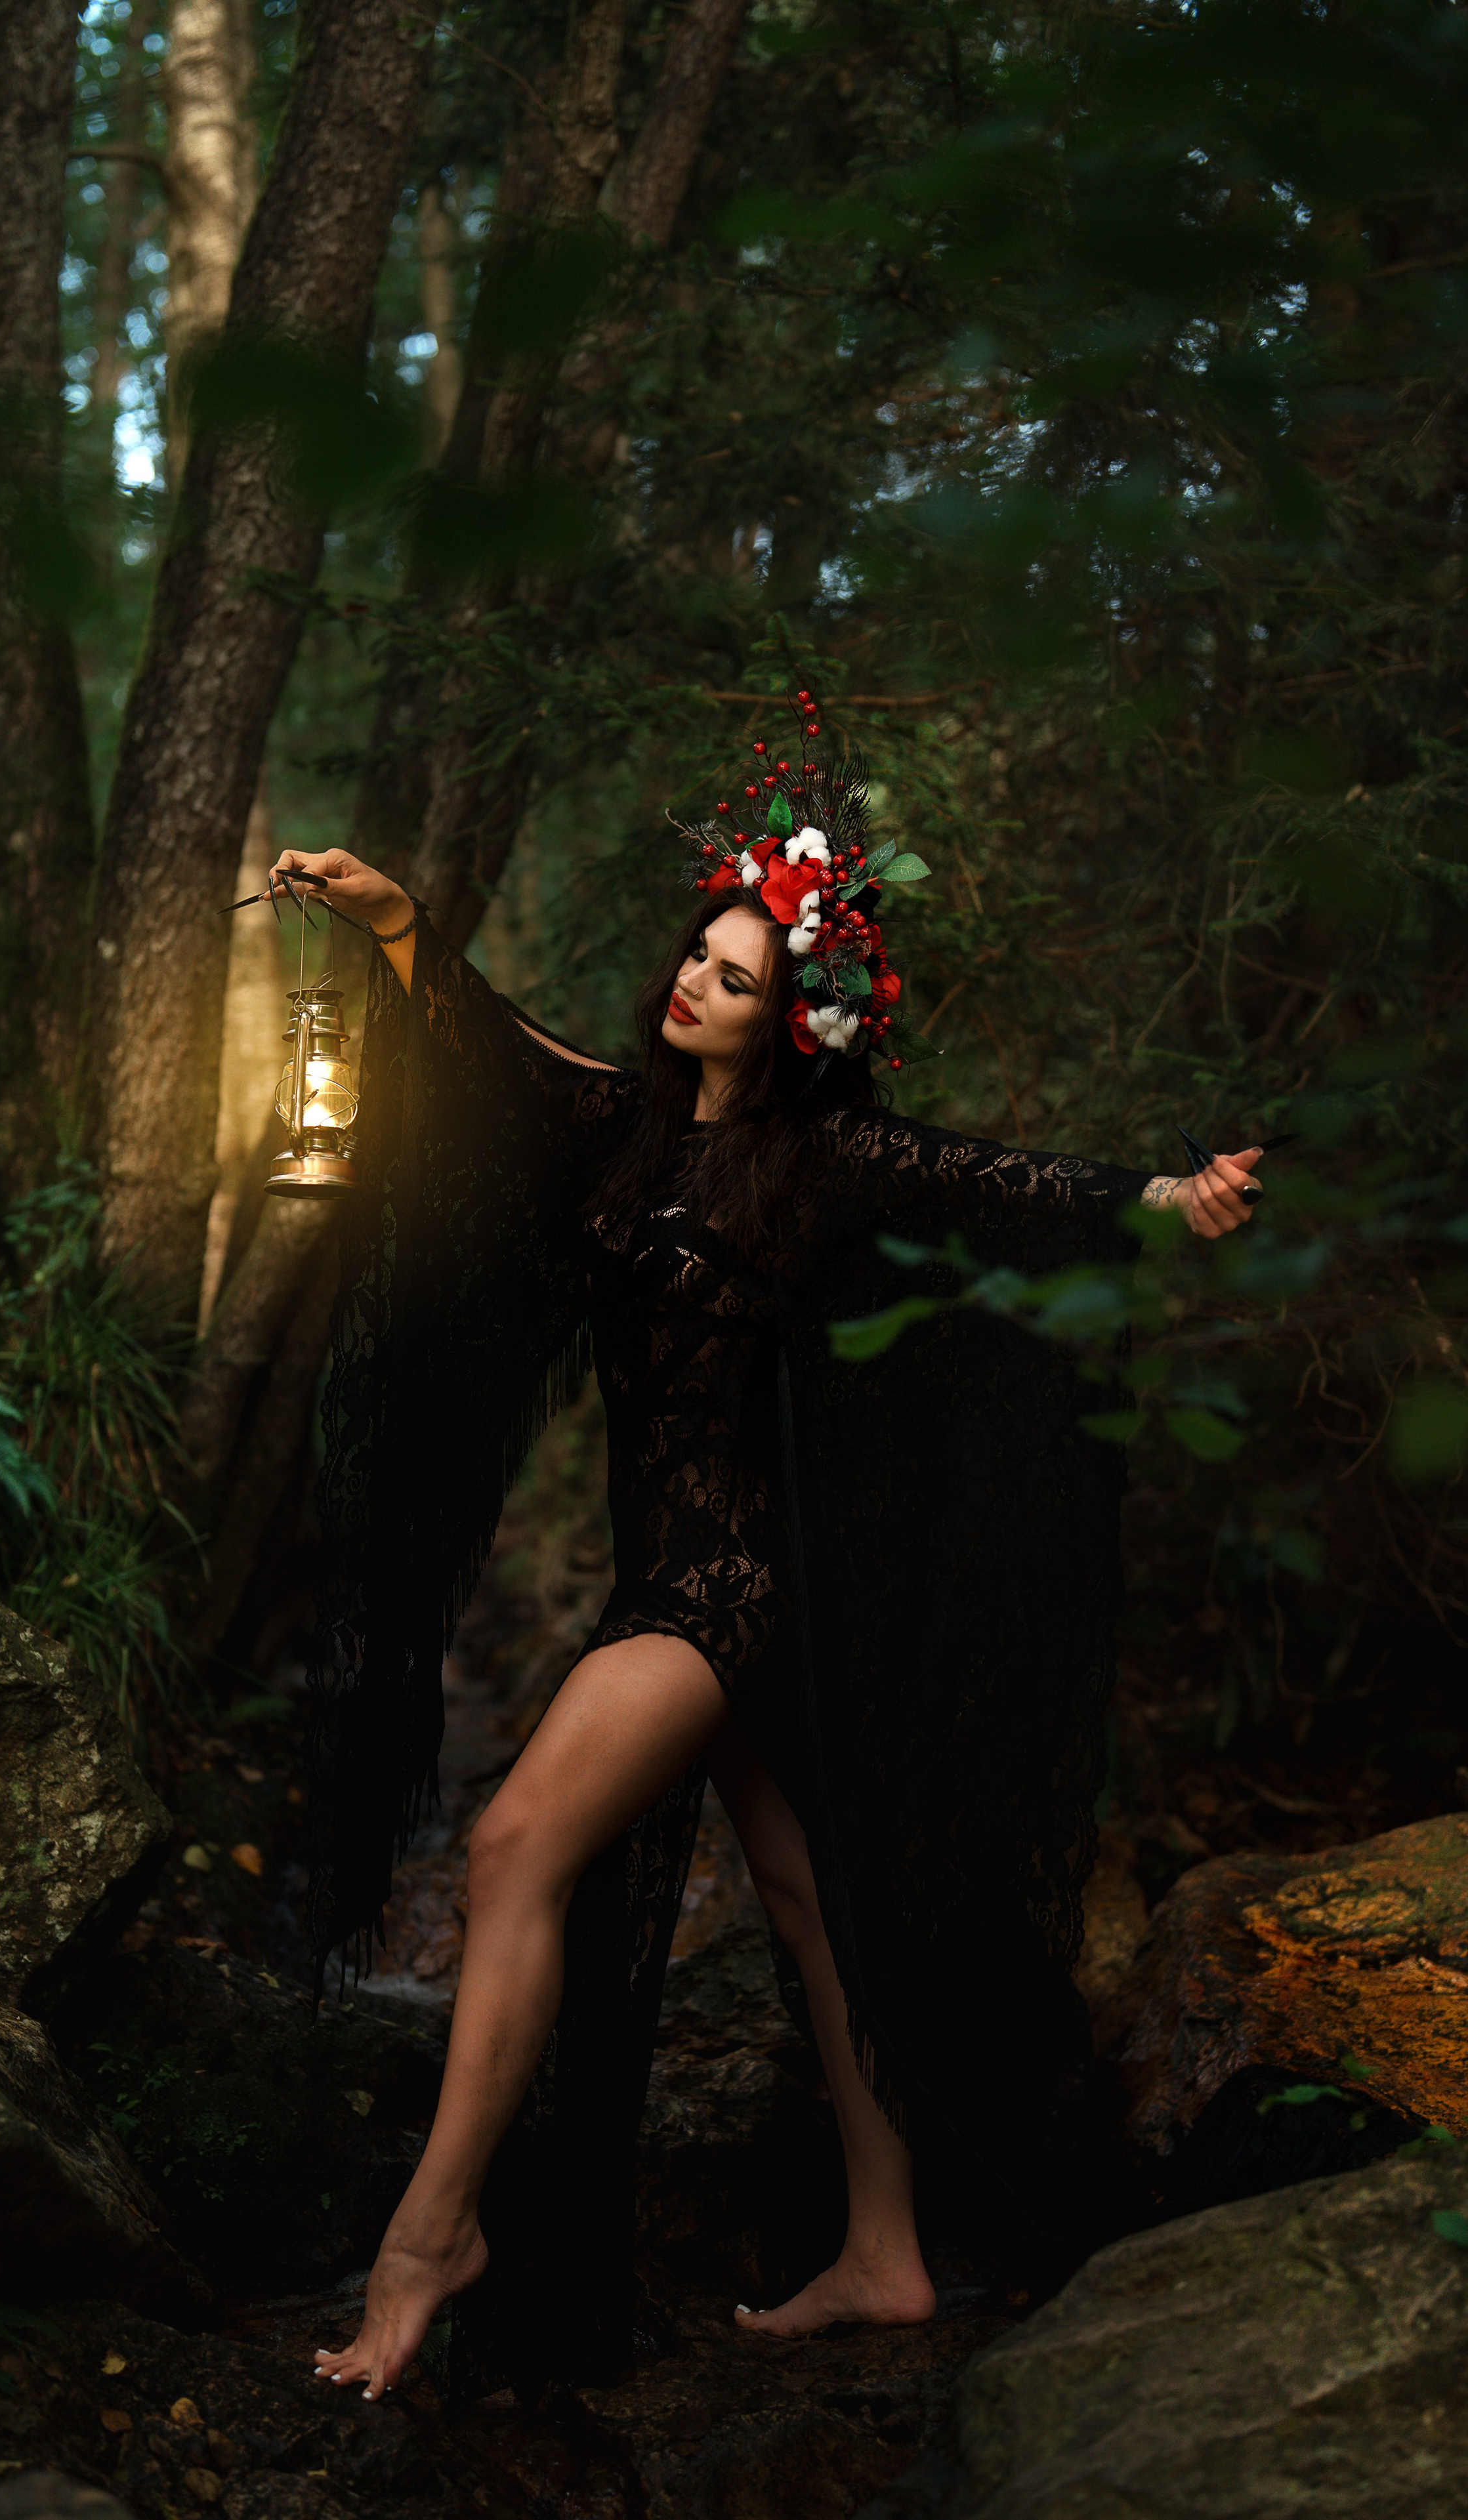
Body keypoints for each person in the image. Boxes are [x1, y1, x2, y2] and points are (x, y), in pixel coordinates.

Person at [269, 708, 1261, 2405]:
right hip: (677, 1583)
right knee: (809, 1901)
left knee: (511, 1849)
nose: (696, 989)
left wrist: (1165, 1196)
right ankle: (888, 2245)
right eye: (697, 961)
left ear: (790, 1021)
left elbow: (990, 1186)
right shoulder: (623, 1127)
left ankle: (433, 2235)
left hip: (717, 1594)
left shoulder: (822, 1160)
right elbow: (498, 1051)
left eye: (735, 978)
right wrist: (390, 921)